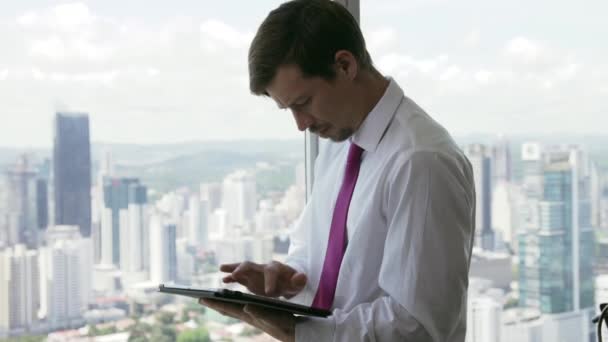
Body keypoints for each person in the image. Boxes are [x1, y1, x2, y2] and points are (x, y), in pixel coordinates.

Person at [199, 0, 476, 341]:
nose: (301, 125)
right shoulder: (337, 145)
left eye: (302, 103)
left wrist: (300, 331)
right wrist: (289, 280)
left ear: (345, 65)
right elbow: (321, 258)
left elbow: (418, 325)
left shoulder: (421, 161)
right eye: (288, 109)